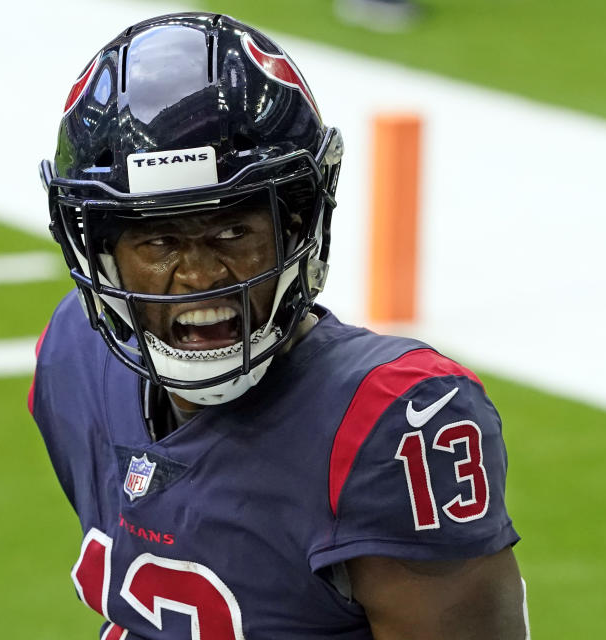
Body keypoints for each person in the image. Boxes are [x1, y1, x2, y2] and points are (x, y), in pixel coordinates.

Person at [30, 12, 528, 639]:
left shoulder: (394, 421)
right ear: (99, 252)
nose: (199, 273)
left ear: (298, 226)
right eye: (158, 239)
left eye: (234, 230)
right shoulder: (76, 357)